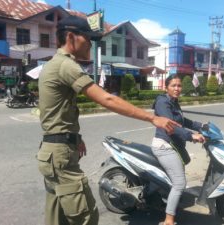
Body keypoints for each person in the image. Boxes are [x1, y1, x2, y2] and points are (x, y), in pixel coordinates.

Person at [37, 15, 179, 225]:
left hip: (54, 151)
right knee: (86, 216)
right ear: (70, 37)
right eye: (88, 38)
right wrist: (152, 118)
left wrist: (75, 137)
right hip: (59, 156)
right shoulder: (65, 65)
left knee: (58, 215)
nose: (92, 45)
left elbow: (58, 111)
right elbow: (107, 98)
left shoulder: (55, 64)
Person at [151, 74, 205, 225]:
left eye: (179, 86)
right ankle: (168, 220)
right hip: (165, 145)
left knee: (175, 178)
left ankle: (164, 198)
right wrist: (191, 136)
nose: (177, 88)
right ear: (166, 87)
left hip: (175, 146)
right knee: (180, 183)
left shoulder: (174, 102)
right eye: (173, 85)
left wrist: (202, 126)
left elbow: (182, 120)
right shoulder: (162, 102)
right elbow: (171, 126)